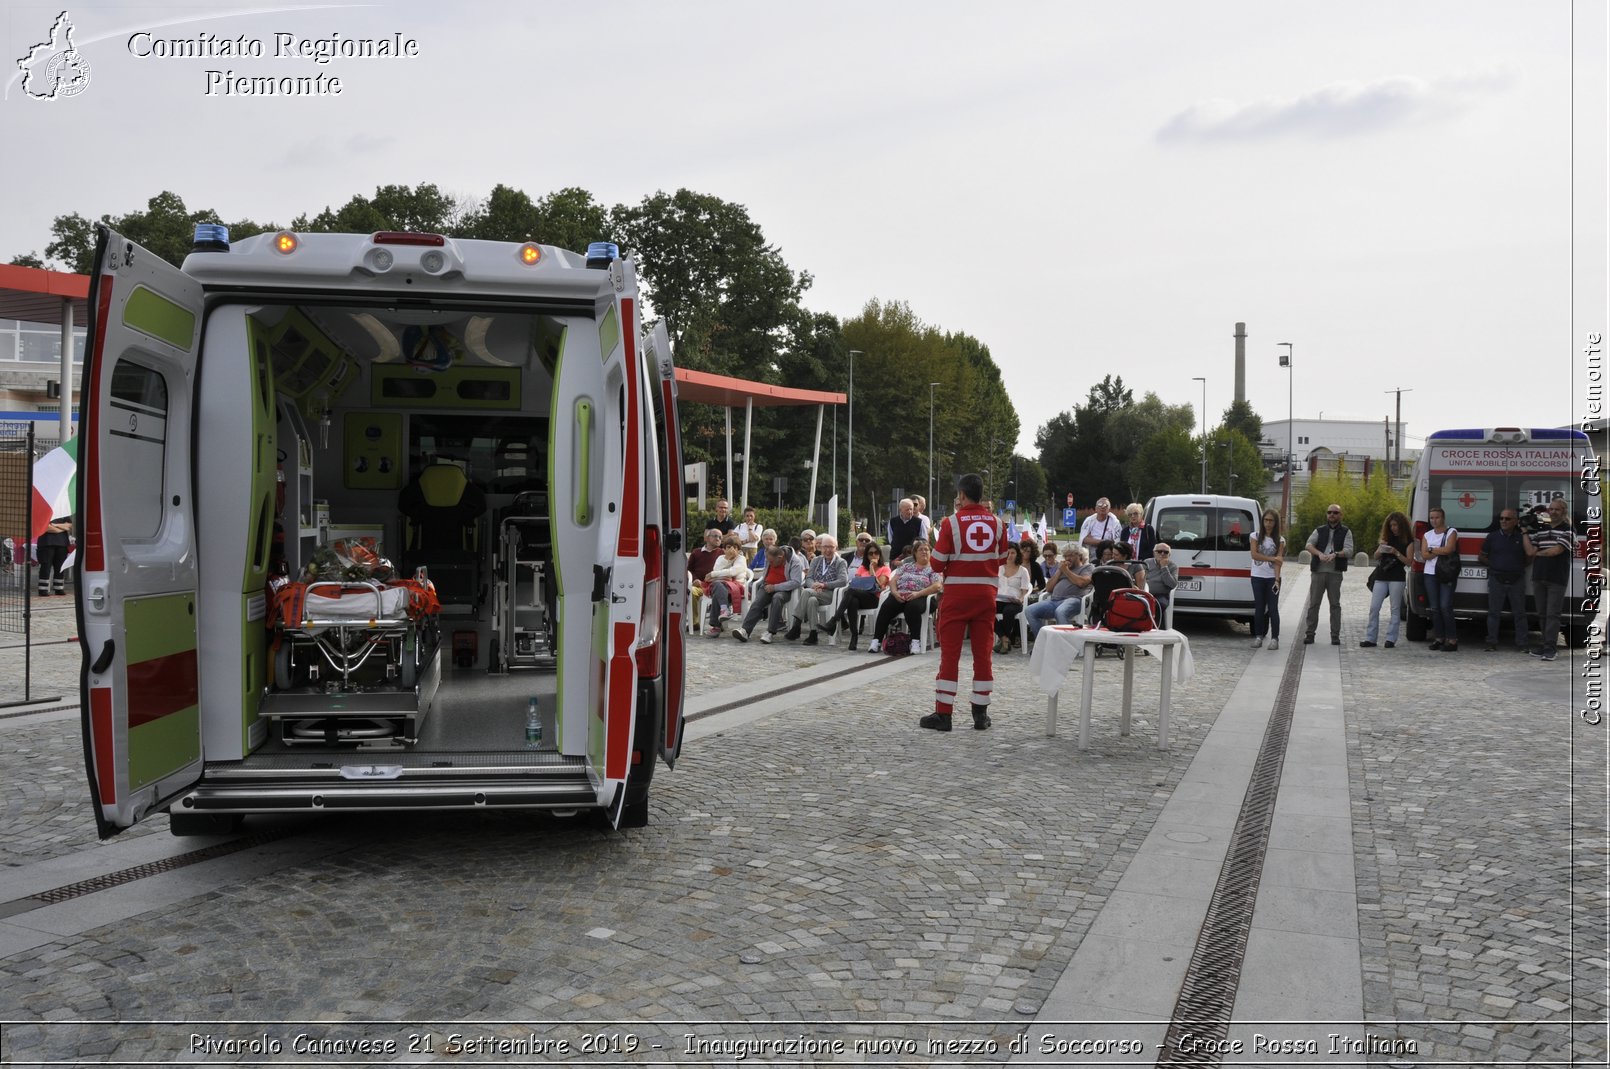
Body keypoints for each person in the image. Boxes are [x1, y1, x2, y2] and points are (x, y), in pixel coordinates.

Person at [923, 474, 1007, 732]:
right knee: (983, 655)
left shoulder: (951, 523)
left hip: (957, 596)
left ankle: (944, 715)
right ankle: (980, 714)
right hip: (986, 596)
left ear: (961, 495)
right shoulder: (998, 524)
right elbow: (1002, 558)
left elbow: (936, 563)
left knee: (950, 655)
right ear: (981, 494)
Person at [1474, 508, 1531, 651]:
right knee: (1493, 612)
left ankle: (1522, 644)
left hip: (1517, 579)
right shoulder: (1492, 537)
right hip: (1496, 578)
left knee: (1520, 614)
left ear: (1516, 521)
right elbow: (1482, 556)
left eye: (1507, 519)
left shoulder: (1521, 537)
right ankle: (1491, 642)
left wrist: (1517, 566)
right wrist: (1494, 566)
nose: (1504, 521)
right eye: (1501, 518)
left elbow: (1530, 556)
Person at [871, 539, 941, 654]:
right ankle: (876, 640)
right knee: (886, 606)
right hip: (901, 595)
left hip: (922, 596)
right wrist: (894, 592)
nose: (924, 552)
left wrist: (918, 594)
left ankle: (915, 641)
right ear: (915, 553)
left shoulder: (933, 568)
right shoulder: (907, 566)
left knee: (912, 607)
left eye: (927, 550)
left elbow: (937, 586)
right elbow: (893, 580)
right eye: (921, 550)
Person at [1528, 498, 1572, 661]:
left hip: (1556, 578)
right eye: (1551, 509)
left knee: (1552, 614)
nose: (1553, 512)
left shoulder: (1569, 530)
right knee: (1542, 614)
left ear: (1563, 512)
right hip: (1539, 576)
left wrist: (1537, 553)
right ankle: (1545, 644)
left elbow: (1556, 551)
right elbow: (1530, 549)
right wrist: (1525, 531)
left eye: (1557, 509)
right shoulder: (1541, 529)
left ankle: (1551, 649)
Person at [1302, 503, 1353, 646]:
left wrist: (1336, 554)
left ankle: (1335, 635)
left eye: (1335, 512)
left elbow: (1349, 551)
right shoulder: (1319, 530)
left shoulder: (1346, 531)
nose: (1332, 514)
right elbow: (1308, 545)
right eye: (1329, 512)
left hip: (1335, 572)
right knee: (1314, 604)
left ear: (1340, 515)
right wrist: (1319, 554)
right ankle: (1310, 634)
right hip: (1318, 571)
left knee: (1335, 605)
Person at [730, 542, 802, 643]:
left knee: (777, 598)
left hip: (784, 589)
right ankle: (745, 631)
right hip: (767, 586)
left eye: (772, 562)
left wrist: (775, 587)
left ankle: (770, 632)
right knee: (758, 602)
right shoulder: (771, 556)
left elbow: (796, 582)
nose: (770, 563)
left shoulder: (795, 561)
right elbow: (765, 572)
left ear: (780, 557)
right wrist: (767, 585)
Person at [1362, 511, 1413, 649]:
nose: (1393, 528)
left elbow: (1409, 562)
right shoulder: (1387, 538)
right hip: (1381, 576)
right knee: (1374, 607)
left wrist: (1396, 552)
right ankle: (1370, 638)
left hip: (1397, 577)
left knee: (1395, 608)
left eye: (1396, 525)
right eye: (1391, 525)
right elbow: (1376, 556)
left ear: (1402, 525)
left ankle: (1391, 639)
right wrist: (1382, 548)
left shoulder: (1408, 542)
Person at [1026, 544, 1094, 639]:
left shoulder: (1087, 568)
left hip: (1074, 599)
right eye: (1065, 556)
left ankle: (1064, 646)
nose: (1067, 558)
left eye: (1070, 555)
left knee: (1060, 611)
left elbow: (1081, 583)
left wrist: (1066, 571)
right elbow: (1049, 588)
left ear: (1079, 555)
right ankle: (1043, 642)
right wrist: (1059, 571)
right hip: (1054, 600)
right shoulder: (1063, 569)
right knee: (1030, 610)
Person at [789, 534, 847, 644]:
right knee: (811, 601)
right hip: (815, 592)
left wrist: (824, 585)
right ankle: (813, 633)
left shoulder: (840, 562)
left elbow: (843, 580)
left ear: (836, 548)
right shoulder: (816, 560)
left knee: (806, 592)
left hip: (831, 594)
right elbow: (809, 578)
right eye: (825, 547)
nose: (828, 550)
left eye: (831, 547)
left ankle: (796, 625)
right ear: (820, 548)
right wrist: (814, 586)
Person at [833, 541, 890, 650]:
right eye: (870, 553)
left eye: (876, 553)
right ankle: (854, 636)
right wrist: (867, 572)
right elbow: (857, 583)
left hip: (876, 598)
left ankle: (834, 620)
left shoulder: (885, 568)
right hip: (861, 597)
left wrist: (872, 569)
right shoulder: (862, 568)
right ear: (866, 556)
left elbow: (879, 586)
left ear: (880, 554)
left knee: (850, 592)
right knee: (853, 601)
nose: (873, 555)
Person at [1419, 506, 1460, 652]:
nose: (1434, 520)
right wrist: (1437, 550)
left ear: (1443, 518)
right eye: (1431, 518)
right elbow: (1424, 555)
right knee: (1435, 608)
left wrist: (1432, 549)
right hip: (1430, 573)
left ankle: (1452, 639)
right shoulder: (1427, 535)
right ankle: (1439, 638)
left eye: (1436, 517)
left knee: (1445, 607)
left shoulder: (1451, 532)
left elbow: (1449, 549)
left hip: (1446, 573)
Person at [1249, 510, 1284, 650]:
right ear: (1262, 521)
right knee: (1259, 607)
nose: (1268, 523)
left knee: (1273, 609)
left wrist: (1276, 580)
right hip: (1257, 576)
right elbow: (1254, 555)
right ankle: (1258, 636)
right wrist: (1272, 558)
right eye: (1266, 520)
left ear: (1275, 523)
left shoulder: (1280, 540)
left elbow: (1278, 561)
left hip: (1272, 578)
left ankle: (1275, 638)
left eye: (1271, 521)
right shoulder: (1255, 536)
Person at [703, 536, 752, 635]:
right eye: (728, 547)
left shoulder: (741, 558)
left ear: (739, 550)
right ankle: (724, 610)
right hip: (720, 586)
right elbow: (717, 569)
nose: (731, 550)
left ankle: (716, 626)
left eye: (735, 547)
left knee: (717, 589)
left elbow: (732, 572)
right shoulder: (721, 558)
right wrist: (727, 559)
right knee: (717, 586)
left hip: (736, 586)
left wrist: (712, 574)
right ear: (724, 549)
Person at [994, 543, 1032, 653]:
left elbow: (1025, 591)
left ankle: (1003, 640)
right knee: (985, 609)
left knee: (1008, 611)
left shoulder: (1022, 571)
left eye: (1012, 553)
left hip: (1014, 601)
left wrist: (1020, 599)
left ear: (1017, 554)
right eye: (1007, 553)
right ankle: (1005, 639)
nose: (1009, 555)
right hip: (999, 599)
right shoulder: (999, 568)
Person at [36, 515, 72, 597]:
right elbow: (46, 527)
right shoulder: (45, 512)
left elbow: (69, 525)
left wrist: (55, 525)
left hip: (62, 544)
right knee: (46, 566)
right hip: (47, 543)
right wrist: (63, 528)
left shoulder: (63, 512)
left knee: (60, 567)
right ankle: (43, 589)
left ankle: (59, 588)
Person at [1143, 543, 1179, 623]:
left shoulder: (1173, 566)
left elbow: (1172, 584)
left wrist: (1164, 568)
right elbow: (1141, 578)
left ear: (1169, 555)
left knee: (1160, 605)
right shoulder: (1147, 562)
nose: (1162, 554)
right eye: (1159, 551)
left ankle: (1156, 627)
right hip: (1146, 593)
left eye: (1165, 552)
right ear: (1154, 553)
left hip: (1161, 594)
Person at [887, 498, 924, 564]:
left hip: (913, 558)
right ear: (900, 510)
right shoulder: (893, 521)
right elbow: (891, 538)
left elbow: (923, 540)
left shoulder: (919, 522)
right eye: (907, 510)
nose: (910, 512)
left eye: (911, 509)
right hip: (896, 557)